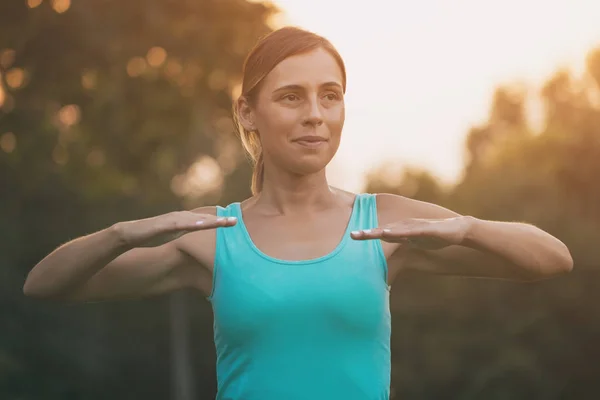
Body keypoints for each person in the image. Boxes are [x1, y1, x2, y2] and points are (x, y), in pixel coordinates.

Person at [24, 26, 573, 400]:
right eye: (291, 97)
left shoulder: (385, 223)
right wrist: (121, 234)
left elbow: (552, 260)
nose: (315, 115)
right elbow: (45, 286)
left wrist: (470, 228)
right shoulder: (212, 237)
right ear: (249, 112)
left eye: (329, 95)